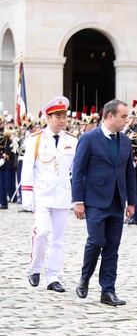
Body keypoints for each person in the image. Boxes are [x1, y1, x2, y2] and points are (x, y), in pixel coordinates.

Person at [72, 99, 137, 306]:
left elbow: (129, 173)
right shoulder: (89, 138)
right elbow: (78, 170)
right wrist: (78, 201)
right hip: (95, 201)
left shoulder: (125, 141)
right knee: (96, 241)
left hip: (117, 200)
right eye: (123, 116)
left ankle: (108, 290)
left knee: (112, 247)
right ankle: (85, 277)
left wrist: (132, 202)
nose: (127, 120)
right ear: (110, 116)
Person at [22, 96, 77, 292]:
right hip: (42, 195)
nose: (63, 121)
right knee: (42, 233)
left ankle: (53, 276)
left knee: (58, 239)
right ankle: (35, 268)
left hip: (62, 195)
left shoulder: (72, 140)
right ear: (48, 117)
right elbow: (27, 169)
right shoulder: (35, 140)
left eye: (65, 117)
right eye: (58, 117)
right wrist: (27, 197)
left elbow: (75, 171)